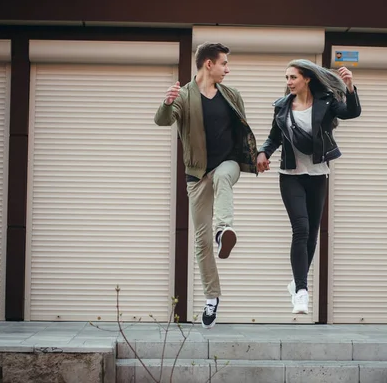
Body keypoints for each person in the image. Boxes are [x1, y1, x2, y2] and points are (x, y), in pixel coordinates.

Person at [155, 42, 258, 328]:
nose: (228, 68)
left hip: (228, 164)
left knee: (224, 176)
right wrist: (166, 102)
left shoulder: (231, 95)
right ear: (208, 64)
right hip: (197, 175)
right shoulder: (185, 96)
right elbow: (162, 121)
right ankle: (212, 299)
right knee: (201, 244)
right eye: (224, 63)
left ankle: (223, 229)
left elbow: (243, 131)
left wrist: (257, 155)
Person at [256, 60, 361, 314]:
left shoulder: (325, 101)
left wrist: (349, 86)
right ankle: (302, 292)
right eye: (287, 77)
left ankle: (296, 281)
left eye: (293, 77)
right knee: (301, 229)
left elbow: (352, 112)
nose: (289, 82)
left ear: (307, 79)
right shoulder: (282, 107)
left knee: (313, 233)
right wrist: (263, 152)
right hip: (290, 174)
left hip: (317, 174)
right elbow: (274, 136)